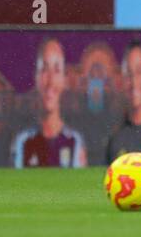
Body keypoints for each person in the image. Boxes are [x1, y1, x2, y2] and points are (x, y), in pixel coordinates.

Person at [12, 38, 88, 168]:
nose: (50, 81)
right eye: (44, 69)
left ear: (65, 80)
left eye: (57, 70)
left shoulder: (75, 143)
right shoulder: (23, 143)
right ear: (36, 78)